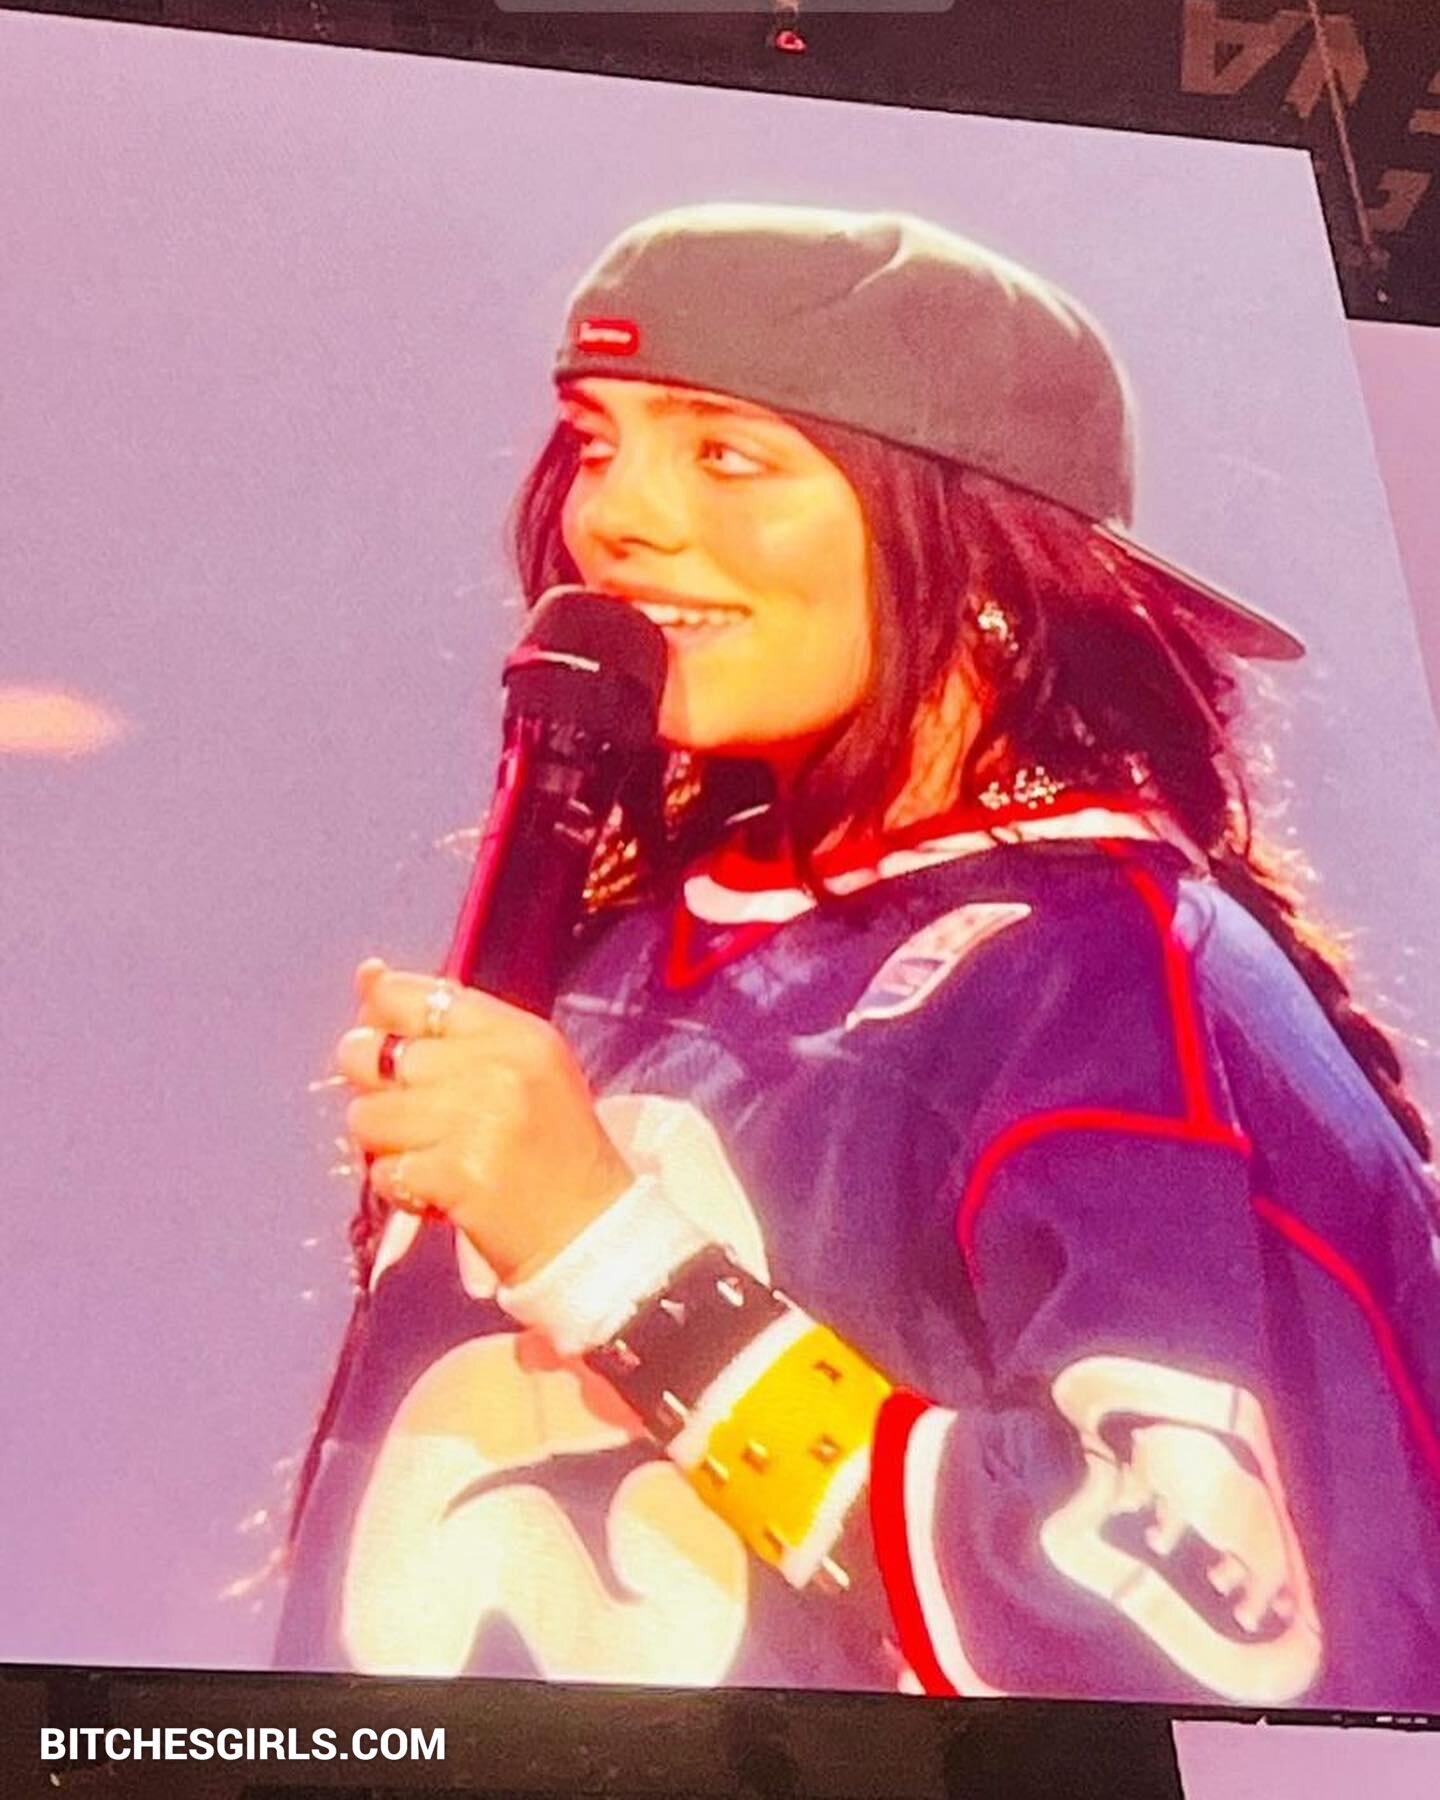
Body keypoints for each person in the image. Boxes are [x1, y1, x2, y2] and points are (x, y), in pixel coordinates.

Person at [275, 204, 1440, 1707]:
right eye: (597, 441)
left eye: (726, 454)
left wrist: (605, 1254)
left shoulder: (1110, 980)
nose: (613, 516)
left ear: (984, 550)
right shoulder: (615, 955)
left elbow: (1207, 1656)